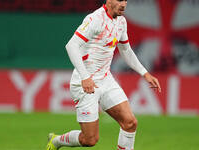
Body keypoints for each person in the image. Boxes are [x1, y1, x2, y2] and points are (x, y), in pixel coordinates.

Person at [46, 0, 161, 150]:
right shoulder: (95, 19)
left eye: (126, 0)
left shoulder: (121, 22)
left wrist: (145, 73)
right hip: (85, 84)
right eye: (120, 0)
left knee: (130, 123)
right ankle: (57, 141)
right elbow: (71, 46)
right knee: (90, 139)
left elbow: (125, 50)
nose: (124, 4)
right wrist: (85, 77)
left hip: (106, 80)